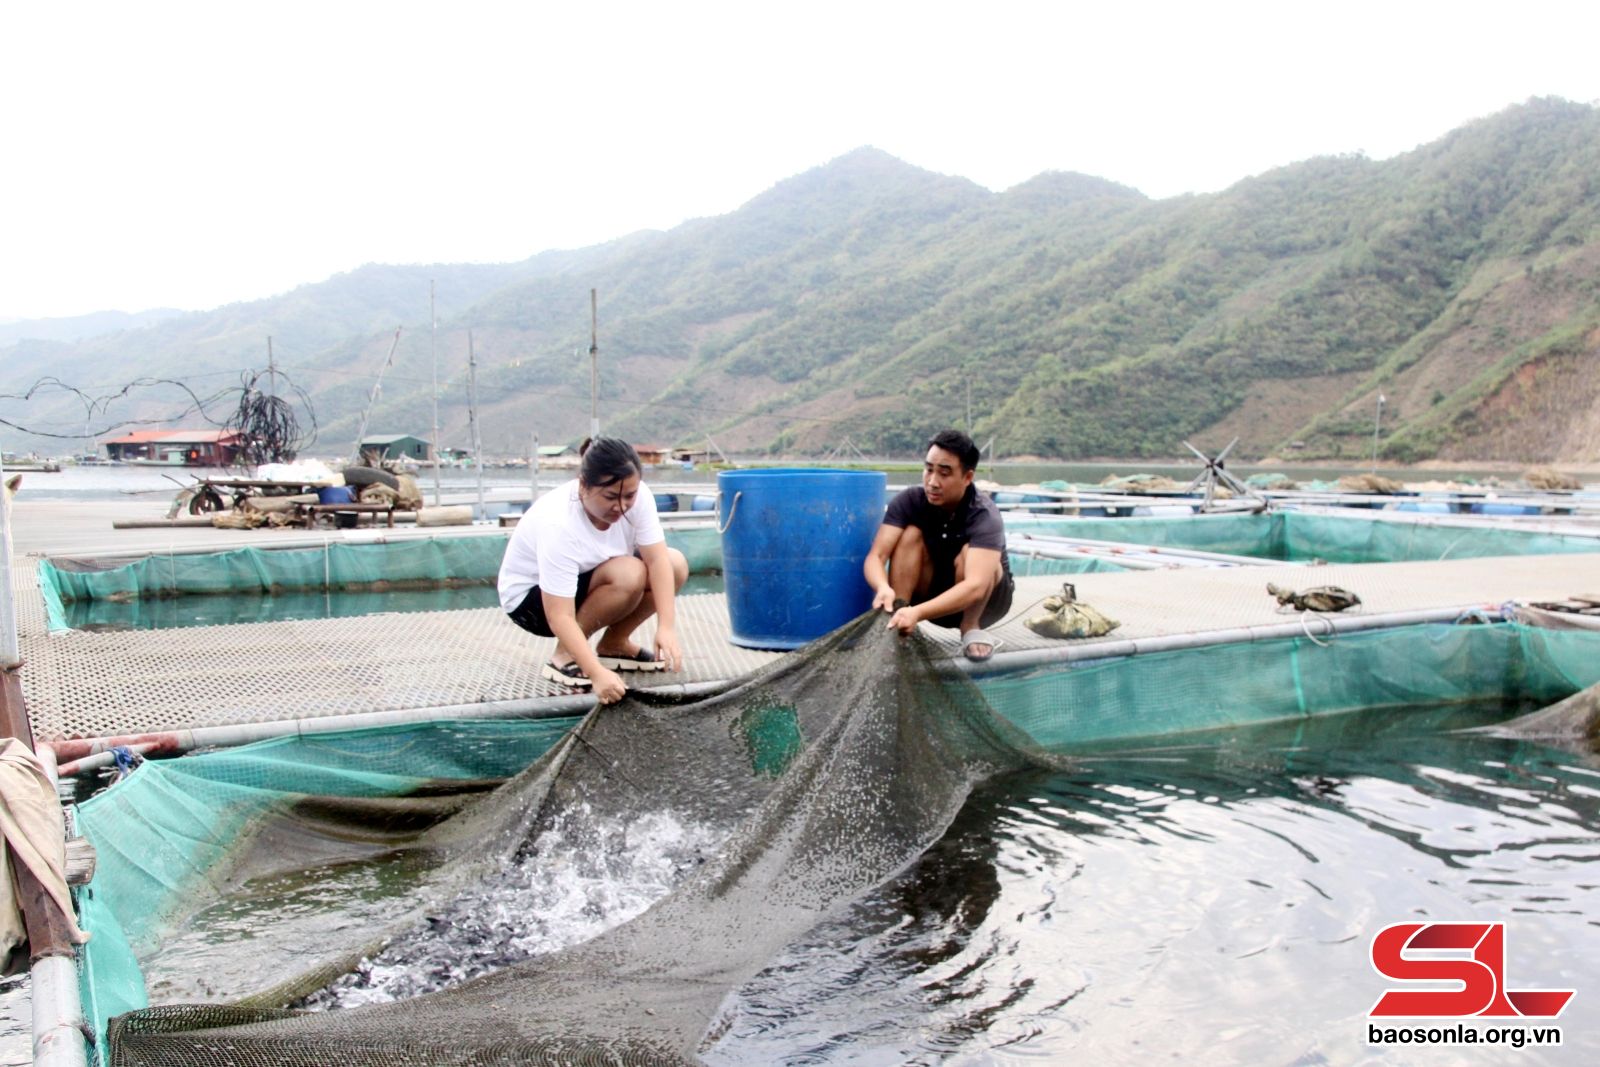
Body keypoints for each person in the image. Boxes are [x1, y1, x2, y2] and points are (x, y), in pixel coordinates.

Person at [498, 436, 688, 704]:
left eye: (629, 496)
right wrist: (596, 673)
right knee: (629, 573)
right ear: (584, 486)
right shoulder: (558, 522)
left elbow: (658, 562)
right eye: (610, 497)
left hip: (586, 579)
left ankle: (615, 644)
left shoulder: (640, 497)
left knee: (674, 563)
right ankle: (565, 656)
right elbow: (559, 615)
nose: (621, 507)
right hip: (531, 603)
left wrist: (666, 627)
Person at [863, 429, 1013, 660]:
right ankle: (898, 616)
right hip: (931, 596)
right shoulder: (910, 501)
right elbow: (877, 556)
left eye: (944, 473)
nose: (932, 482)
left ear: (967, 477)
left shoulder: (984, 514)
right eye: (929, 469)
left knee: (974, 559)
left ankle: (970, 628)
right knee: (910, 534)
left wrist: (919, 612)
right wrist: (883, 588)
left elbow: (975, 585)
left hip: (985, 604)